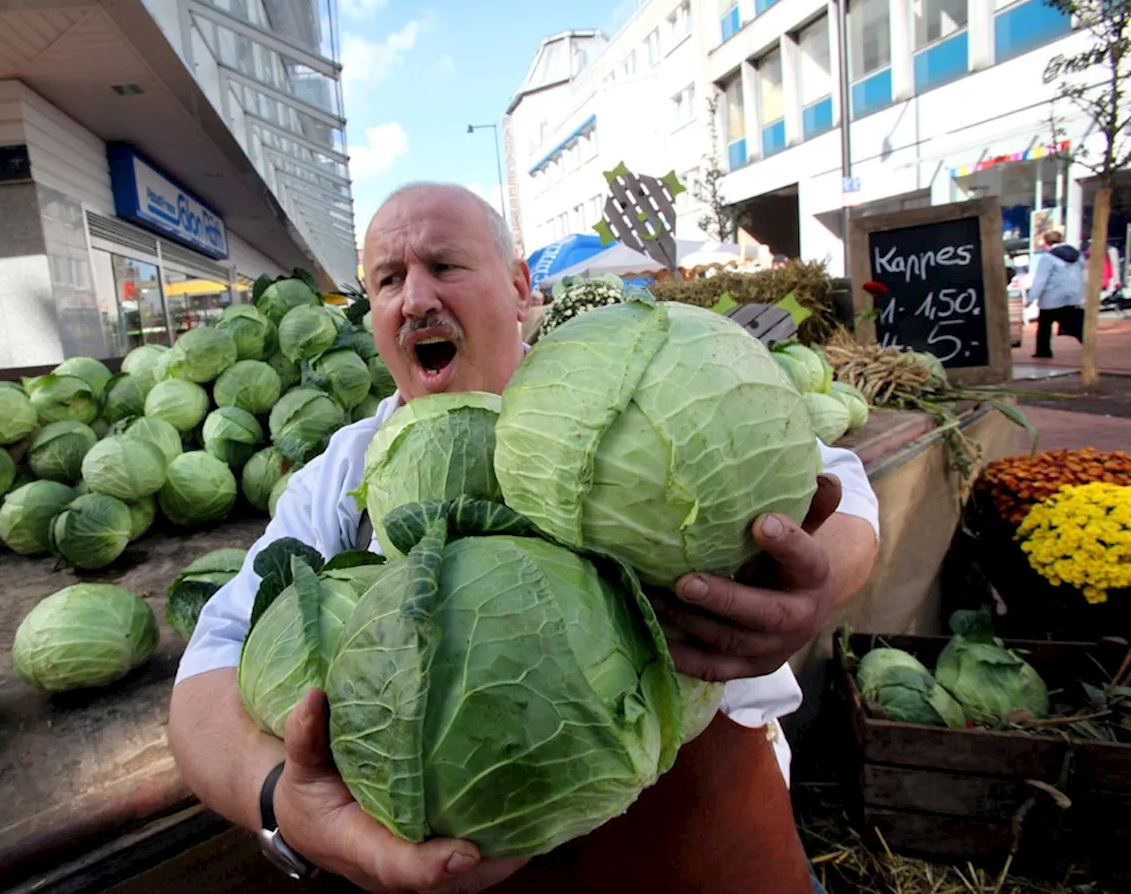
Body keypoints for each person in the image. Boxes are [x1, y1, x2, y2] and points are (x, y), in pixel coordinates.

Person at [168, 182, 880, 894]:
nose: (415, 298)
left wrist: (810, 589)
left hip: (713, 854)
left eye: (444, 266)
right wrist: (280, 804)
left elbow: (841, 493)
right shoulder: (345, 472)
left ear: (517, 287)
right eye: (389, 279)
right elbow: (209, 671)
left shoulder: (615, 381)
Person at [1028, 229, 1086, 358]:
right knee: (1075, 324)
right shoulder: (1077, 255)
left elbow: (1040, 280)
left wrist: (1030, 298)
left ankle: (1043, 351)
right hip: (1073, 296)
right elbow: (1082, 273)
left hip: (1051, 298)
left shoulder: (1048, 257)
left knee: (1044, 326)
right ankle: (1088, 344)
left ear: (1046, 243)